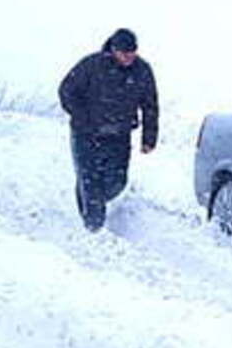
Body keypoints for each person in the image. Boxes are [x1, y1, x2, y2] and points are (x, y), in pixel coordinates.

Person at [57, 28, 159, 231]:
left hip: (119, 136)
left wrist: (149, 138)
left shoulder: (142, 71)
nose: (129, 57)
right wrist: (82, 117)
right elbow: (66, 90)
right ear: (113, 50)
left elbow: (150, 106)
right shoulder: (91, 65)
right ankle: (93, 231)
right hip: (86, 135)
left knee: (116, 183)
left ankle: (87, 196)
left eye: (132, 52)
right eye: (124, 53)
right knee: (91, 184)